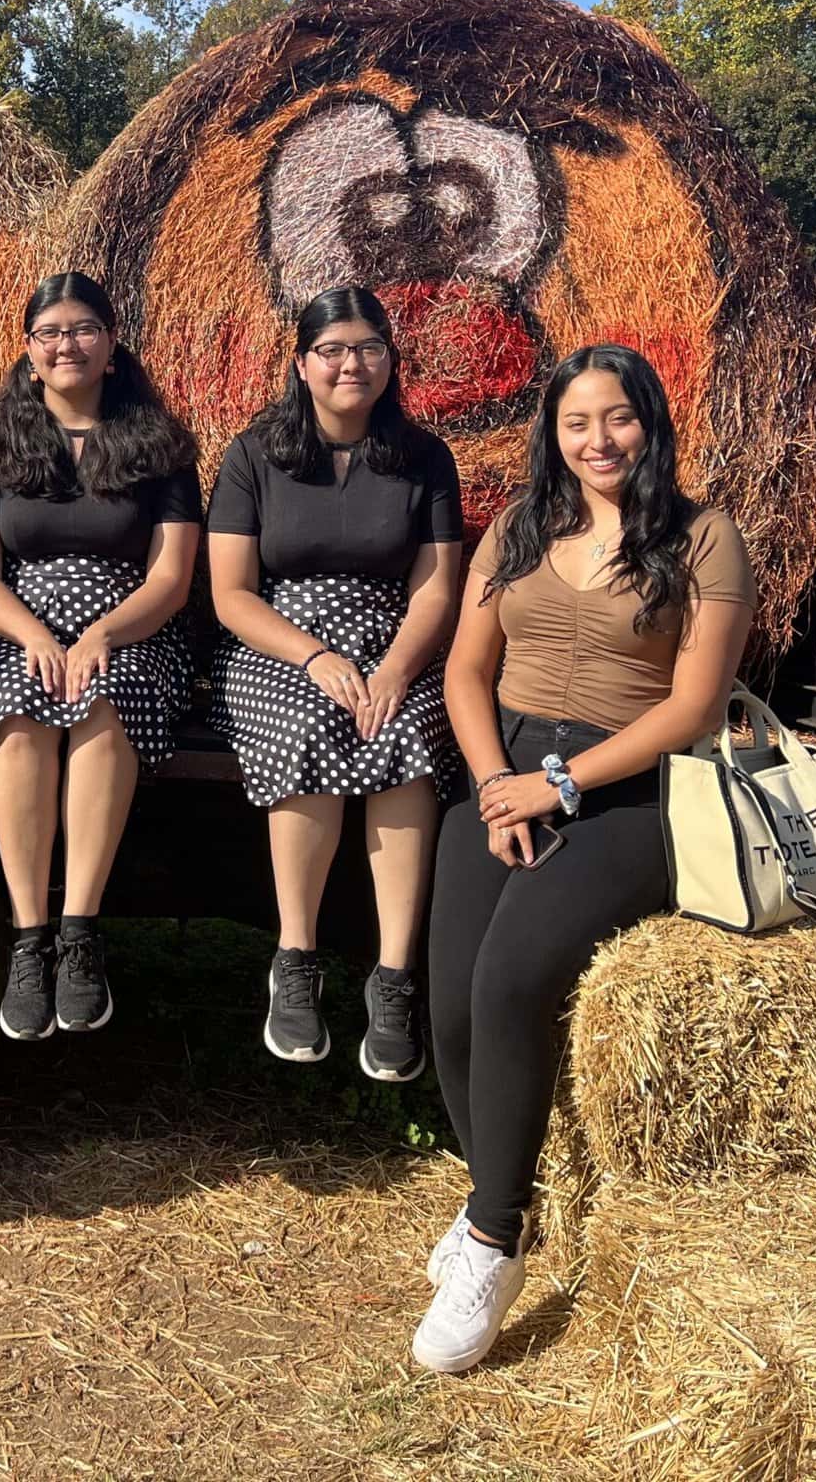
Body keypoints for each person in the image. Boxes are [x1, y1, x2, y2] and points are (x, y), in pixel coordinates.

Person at [415, 344, 754, 1375]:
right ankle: (498, 1188)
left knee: (516, 981)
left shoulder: (703, 538)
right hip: (501, 767)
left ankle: (491, 1239)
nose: (598, 440)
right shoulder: (519, 530)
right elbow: (467, 672)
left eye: (618, 418)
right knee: (452, 1007)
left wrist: (561, 787)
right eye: (577, 422)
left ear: (649, 423)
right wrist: (493, 785)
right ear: (551, 435)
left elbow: (694, 707)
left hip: (626, 788)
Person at [0, 273, 201, 1039]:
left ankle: (79, 933)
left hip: (131, 623)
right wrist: (37, 636)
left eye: (83, 329)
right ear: (29, 350)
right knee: (19, 708)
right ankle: (28, 934)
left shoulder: (161, 446)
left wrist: (105, 634)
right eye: (50, 332)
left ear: (112, 347)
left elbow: (172, 577)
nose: (66, 344)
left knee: (104, 700)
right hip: (17, 623)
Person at [206, 286, 464, 1081]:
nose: (353, 364)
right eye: (334, 350)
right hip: (280, 645)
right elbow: (231, 594)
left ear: (391, 359)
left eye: (370, 349)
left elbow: (436, 589)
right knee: (308, 726)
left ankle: (393, 978)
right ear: (302, 362)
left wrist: (394, 668)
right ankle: (296, 958)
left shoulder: (425, 459)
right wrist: (314, 657)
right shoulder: (256, 455)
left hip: (394, 641)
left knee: (411, 735)